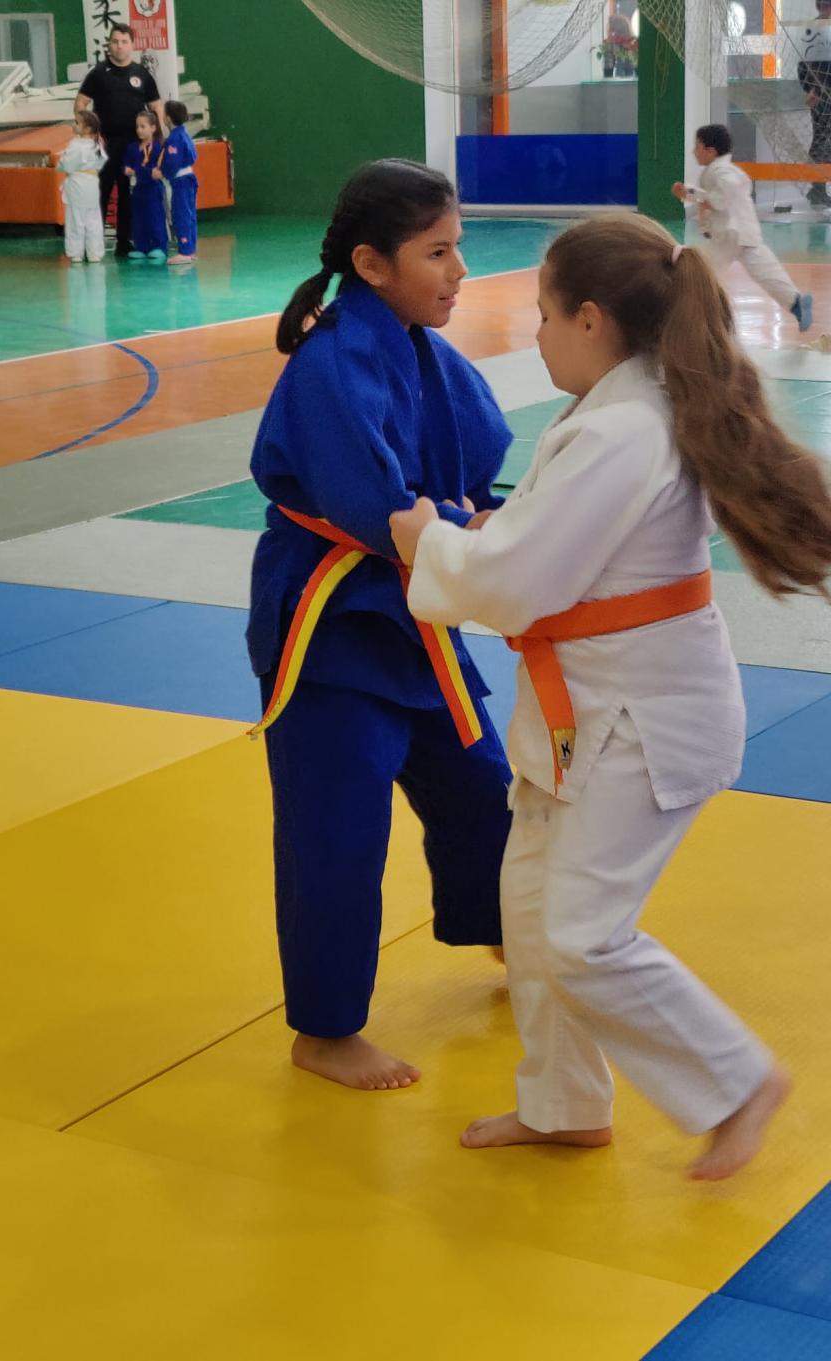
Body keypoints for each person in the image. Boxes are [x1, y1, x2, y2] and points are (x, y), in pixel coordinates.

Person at [391, 215, 831, 1178]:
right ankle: (564, 1104)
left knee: (583, 936)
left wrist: (430, 542)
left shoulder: (624, 430)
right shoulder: (617, 411)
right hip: (583, 712)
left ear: (591, 319)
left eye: (545, 315)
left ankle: (737, 1080)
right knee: (530, 908)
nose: (537, 333)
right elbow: (555, 549)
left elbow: (516, 584)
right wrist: (491, 532)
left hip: (640, 723)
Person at [247, 159, 514, 1093]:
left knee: (482, 788)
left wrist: (485, 515)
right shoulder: (332, 362)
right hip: (334, 626)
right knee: (338, 829)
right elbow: (382, 510)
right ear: (371, 263)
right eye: (437, 252)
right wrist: (469, 530)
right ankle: (324, 1031)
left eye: (458, 248)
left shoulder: (422, 349)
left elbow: (468, 472)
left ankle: (507, 930)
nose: (459, 270)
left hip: (415, 610)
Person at [672, 124, 812, 332]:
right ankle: (795, 302)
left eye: (697, 146)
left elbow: (724, 193)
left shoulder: (719, 170)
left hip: (729, 234)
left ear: (710, 151)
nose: (694, 151)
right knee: (766, 271)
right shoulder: (728, 170)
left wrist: (702, 198)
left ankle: (689, 317)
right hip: (746, 232)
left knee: (704, 273)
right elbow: (724, 192)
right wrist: (690, 193)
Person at [75, 24, 165, 258]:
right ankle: (92, 244)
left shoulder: (142, 74)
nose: (119, 46)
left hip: (133, 146)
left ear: (132, 45)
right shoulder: (98, 73)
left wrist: (158, 134)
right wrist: (89, 132)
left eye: (124, 42)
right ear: (109, 44)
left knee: (127, 193)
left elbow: (156, 106)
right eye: (115, 41)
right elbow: (80, 103)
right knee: (100, 193)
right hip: (104, 144)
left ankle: (124, 242)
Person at [58, 110, 107, 265]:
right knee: (93, 219)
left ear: (87, 129)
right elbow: (101, 162)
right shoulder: (97, 144)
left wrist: (61, 164)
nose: (74, 125)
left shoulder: (76, 144)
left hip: (77, 184)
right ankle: (94, 254)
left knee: (75, 219)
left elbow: (66, 164)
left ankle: (76, 253)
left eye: (77, 123)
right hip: (92, 184)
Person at [798, 0, 831, 209]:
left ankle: (818, 188)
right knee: (822, 138)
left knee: (823, 138)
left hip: (822, 92)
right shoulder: (816, 29)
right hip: (822, 96)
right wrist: (812, 90)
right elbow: (807, 64)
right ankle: (817, 188)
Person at [124, 108, 168, 262]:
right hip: (138, 189)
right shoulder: (132, 147)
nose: (139, 130)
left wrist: (139, 172)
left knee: (154, 216)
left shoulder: (158, 148)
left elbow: (158, 171)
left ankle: (159, 246)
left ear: (153, 128)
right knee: (138, 218)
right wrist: (128, 170)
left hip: (153, 188)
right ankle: (141, 247)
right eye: (137, 126)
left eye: (143, 126)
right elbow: (127, 165)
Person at [159, 100, 198, 263]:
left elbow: (172, 162)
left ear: (168, 118)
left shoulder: (174, 138)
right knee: (189, 214)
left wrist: (162, 173)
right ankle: (190, 248)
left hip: (180, 181)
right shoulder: (184, 134)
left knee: (181, 214)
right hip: (189, 178)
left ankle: (185, 251)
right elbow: (193, 156)